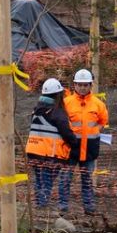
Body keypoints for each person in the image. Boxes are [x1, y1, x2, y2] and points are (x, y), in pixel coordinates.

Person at [60, 68, 110, 214]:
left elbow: (103, 120)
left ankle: (89, 207)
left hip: (89, 149)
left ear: (90, 85)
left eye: (85, 85)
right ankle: (63, 206)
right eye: (79, 84)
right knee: (65, 178)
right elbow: (61, 123)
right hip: (70, 148)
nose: (82, 87)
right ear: (74, 85)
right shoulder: (66, 103)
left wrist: (95, 131)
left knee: (87, 180)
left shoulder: (98, 104)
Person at [24, 77, 78, 208]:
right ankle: (42, 205)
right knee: (47, 181)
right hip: (50, 153)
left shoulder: (36, 110)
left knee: (39, 180)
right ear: (59, 94)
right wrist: (76, 144)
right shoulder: (57, 112)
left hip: (34, 151)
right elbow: (66, 133)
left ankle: (38, 204)